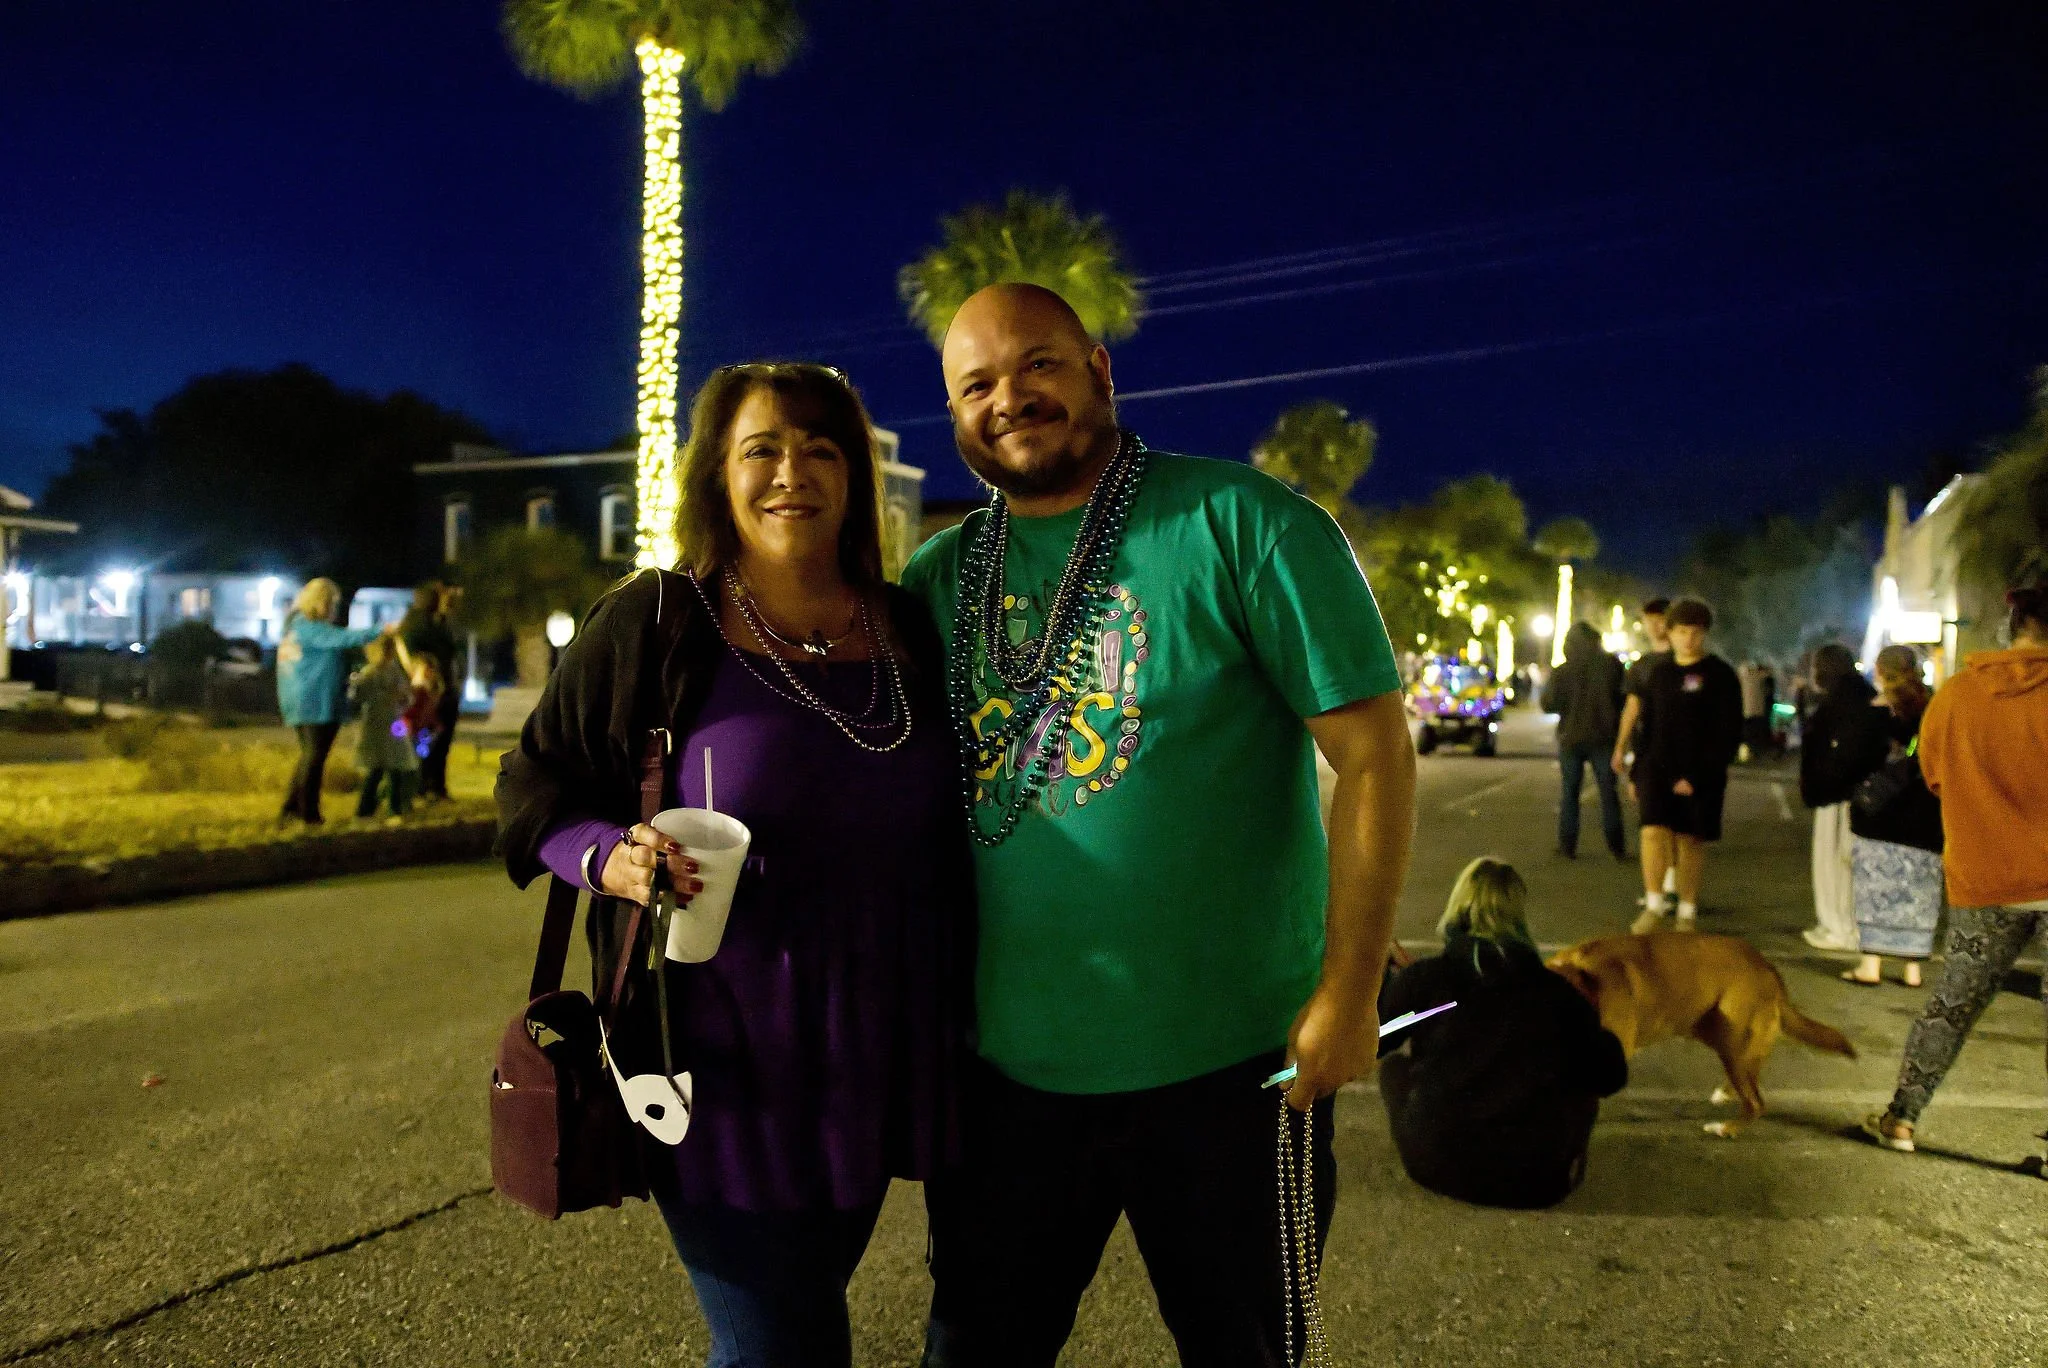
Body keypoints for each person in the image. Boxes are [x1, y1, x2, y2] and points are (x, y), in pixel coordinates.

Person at [902, 283, 1416, 1367]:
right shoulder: (935, 579)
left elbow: (1371, 758)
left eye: (1036, 364)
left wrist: (1350, 988)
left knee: (1247, 1350)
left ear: (1097, 368)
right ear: (951, 416)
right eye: (976, 384)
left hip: (1234, 1071)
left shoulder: (1244, 523)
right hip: (1005, 1082)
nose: (1010, 399)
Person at [496, 362, 973, 1367]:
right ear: (716, 474)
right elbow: (534, 780)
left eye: (819, 449)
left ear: (850, 479)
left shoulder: (910, 633)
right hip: (715, 1051)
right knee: (781, 1346)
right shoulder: (660, 622)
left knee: (802, 1318)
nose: (789, 472)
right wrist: (606, 858)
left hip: (875, 1047)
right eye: (759, 449)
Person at [1863, 578, 2048, 1167]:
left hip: (1985, 874)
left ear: (2009, 626)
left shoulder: (1958, 695)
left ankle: (1901, 1118)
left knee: (1952, 1003)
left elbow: (1935, 777)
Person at [1377, 857, 1627, 1208]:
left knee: (1394, 1070)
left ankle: (1435, 1136)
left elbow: (1372, 1042)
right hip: (1538, 1182)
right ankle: (1560, 1153)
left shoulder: (1429, 979)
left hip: (1437, 1164)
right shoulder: (1558, 993)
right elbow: (1611, 1076)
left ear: (1457, 909)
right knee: (1581, 1076)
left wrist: (1396, 984)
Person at [1626, 598, 1742, 934]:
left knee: (1689, 840)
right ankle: (1654, 904)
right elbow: (1646, 724)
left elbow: (1728, 731)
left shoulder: (1720, 675)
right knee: (1652, 833)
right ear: (1670, 632)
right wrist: (1637, 770)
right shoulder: (1660, 673)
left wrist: (1697, 775)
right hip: (1656, 768)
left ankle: (1687, 911)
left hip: (1700, 774)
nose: (1687, 639)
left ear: (1704, 634)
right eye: (1680, 631)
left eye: (1694, 632)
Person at [1844, 644, 1942, 988]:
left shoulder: (1876, 713)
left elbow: (1859, 761)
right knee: (1919, 890)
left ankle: (1870, 965)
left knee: (1876, 887)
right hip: (1925, 816)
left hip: (1881, 815)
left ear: (1881, 672)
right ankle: (1912, 969)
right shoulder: (1933, 708)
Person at [276, 577, 394, 824]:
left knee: (310, 755)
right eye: (331, 602)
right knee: (314, 756)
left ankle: (292, 808)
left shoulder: (296, 627)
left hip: (304, 699)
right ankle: (308, 813)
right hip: (314, 700)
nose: (333, 608)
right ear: (320, 602)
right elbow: (341, 639)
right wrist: (378, 630)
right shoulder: (308, 627)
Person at [1797, 643, 1890, 954]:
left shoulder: (1839, 703)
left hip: (1838, 795)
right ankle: (1844, 925)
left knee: (1834, 862)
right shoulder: (1866, 697)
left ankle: (1839, 927)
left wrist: (1822, 780)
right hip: (1861, 794)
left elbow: (1832, 750)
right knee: (1847, 863)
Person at [1541, 621, 1627, 861]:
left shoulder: (1563, 671)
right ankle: (1616, 845)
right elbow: (1623, 698)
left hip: (1571, 737)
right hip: (1604, 737)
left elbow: (1548, 703)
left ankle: (1567, 845)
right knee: (1608, 792)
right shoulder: (1611, 666)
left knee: (1569, 792)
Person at [1613, 597, 1677, 903]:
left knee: (1680, 824)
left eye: (1660, 618)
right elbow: (1632, 707)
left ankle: (1674, 884)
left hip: (1681, 753)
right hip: (1648, 751)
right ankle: (1659, 889)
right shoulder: (1642, 665)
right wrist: (1620, 747)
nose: (1655, 625)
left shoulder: (1686, 661)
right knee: (1652, 822)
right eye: (1649, 618)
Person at [400, 581, 463, 800]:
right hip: (431, 692)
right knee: (429, 741)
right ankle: (425, 786)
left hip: (443, 689)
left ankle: (435, 785)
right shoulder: (419, 623)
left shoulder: (439, 622)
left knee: (439, 741)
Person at [349, 634, 419, 819]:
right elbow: (360, 696)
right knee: (377, 767)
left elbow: (406, 696)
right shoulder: (369, 673)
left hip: (394, 723)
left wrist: (403, 698)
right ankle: (366, 809)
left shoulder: (394, 671)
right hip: (376, 724)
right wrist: (388, 697)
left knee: (397, 766)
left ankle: (395, 806)